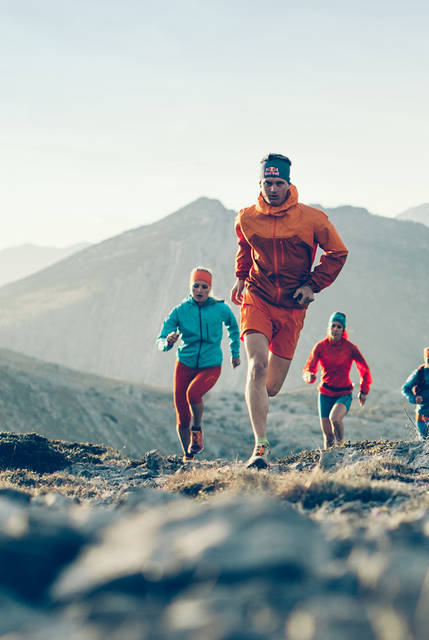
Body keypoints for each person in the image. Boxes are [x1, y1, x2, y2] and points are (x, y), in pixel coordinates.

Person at [230, 153, 348, 468]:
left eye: (278, 182)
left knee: (270, 386)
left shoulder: (312, 220)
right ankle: (260, 446)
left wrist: (313, 285)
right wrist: (242, 277)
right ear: (260, 183)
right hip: (258, 296)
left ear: (289, 183)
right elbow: (245, 246)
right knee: (256, 367)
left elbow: (338, 252)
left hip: (292, 308)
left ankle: (260, 416)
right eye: (267, 182)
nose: (272, 188)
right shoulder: (246, 217)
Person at [156, 267, 241, 460]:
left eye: (204, 286)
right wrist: (167, 342)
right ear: (191, 287)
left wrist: (234, 353)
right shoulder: (180, 311)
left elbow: (233, 328)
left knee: (193, 393)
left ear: (210, 288)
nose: (200, 290)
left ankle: (197, 429)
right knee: (182, 415)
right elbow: (160, 338)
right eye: (196, 286)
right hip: (185, 363)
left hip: (210, 365)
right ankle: (188, 457)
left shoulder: (220, 308)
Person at [303, 311, 372, 449]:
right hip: (325, 394)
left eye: (339, 326)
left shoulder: (350, 348)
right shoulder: (320, 347)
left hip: (343, 394)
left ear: (343, 329)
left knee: (335, 418)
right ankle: (329, 466)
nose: (335, 329)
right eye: (333, 325)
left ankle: (340, 448)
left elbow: (364, 368)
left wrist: (364, 390)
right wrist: (309, 376)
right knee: (328, 437)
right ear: (329, 328)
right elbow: (308, 369)